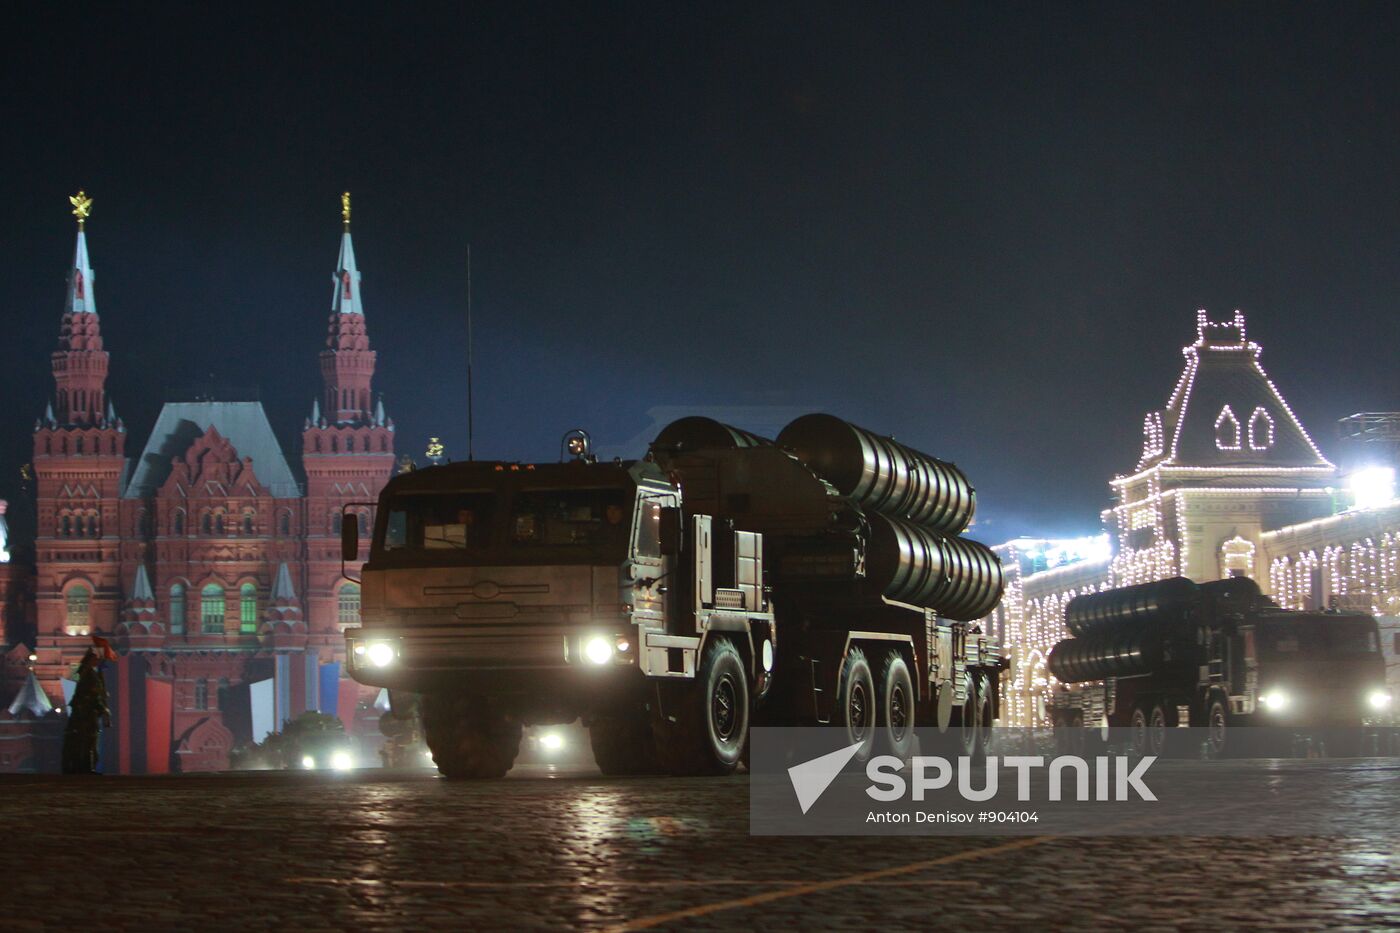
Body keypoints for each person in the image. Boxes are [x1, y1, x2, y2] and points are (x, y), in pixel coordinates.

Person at [62, 638, 114, 774]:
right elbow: (92, 695)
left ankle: (84, 766)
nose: (98, 661)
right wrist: (104, 709)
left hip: (83, 713)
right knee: (88, 740)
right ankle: (86, 767)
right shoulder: (89, 675)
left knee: (85, 740)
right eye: (96, 659)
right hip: (86, 713)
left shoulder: (88, 673)